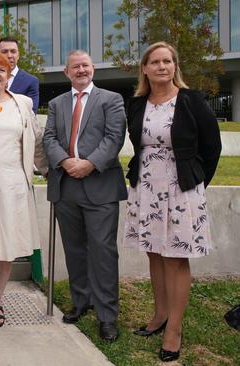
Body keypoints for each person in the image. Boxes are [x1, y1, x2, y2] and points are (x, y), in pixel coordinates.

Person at [123, 42, 221, 362]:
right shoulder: (137, 104)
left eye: (168, 61)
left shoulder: (191, 100)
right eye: (156, 61)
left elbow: (212, 147)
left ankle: (174, 330)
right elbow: (139, 145)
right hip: (147, 187)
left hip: (181, 189)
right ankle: (159, 315)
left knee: (176, 257)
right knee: (154, 253)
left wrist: (195, 184)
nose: (163, 66)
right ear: (145, 68)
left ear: (174, 66)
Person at [42, 50, 127, 341]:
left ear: (93, 69)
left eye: (86, 65)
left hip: (99, 184)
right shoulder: (56, 103)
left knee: (103, 252)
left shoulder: (111, 99)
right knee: (75, 249)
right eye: (75, 66)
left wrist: (89, 164)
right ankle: (82, 302)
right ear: (66, 72)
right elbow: (49, 137)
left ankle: (107, 316)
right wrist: (66, 162)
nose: (81, 70)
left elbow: (114, 138)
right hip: (66, 186)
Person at [0, 53, 48, 327]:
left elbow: (36, 142)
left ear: (8, 75)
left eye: (1, 70)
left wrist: (48, 171)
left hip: (13, 183)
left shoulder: (23, 104)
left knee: (5, 246)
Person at [0, 36, 40, 113]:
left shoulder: (31, 81)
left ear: (18, 55)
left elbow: (31, 113)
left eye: (13, 51)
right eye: (4, 52)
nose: (9, 55)